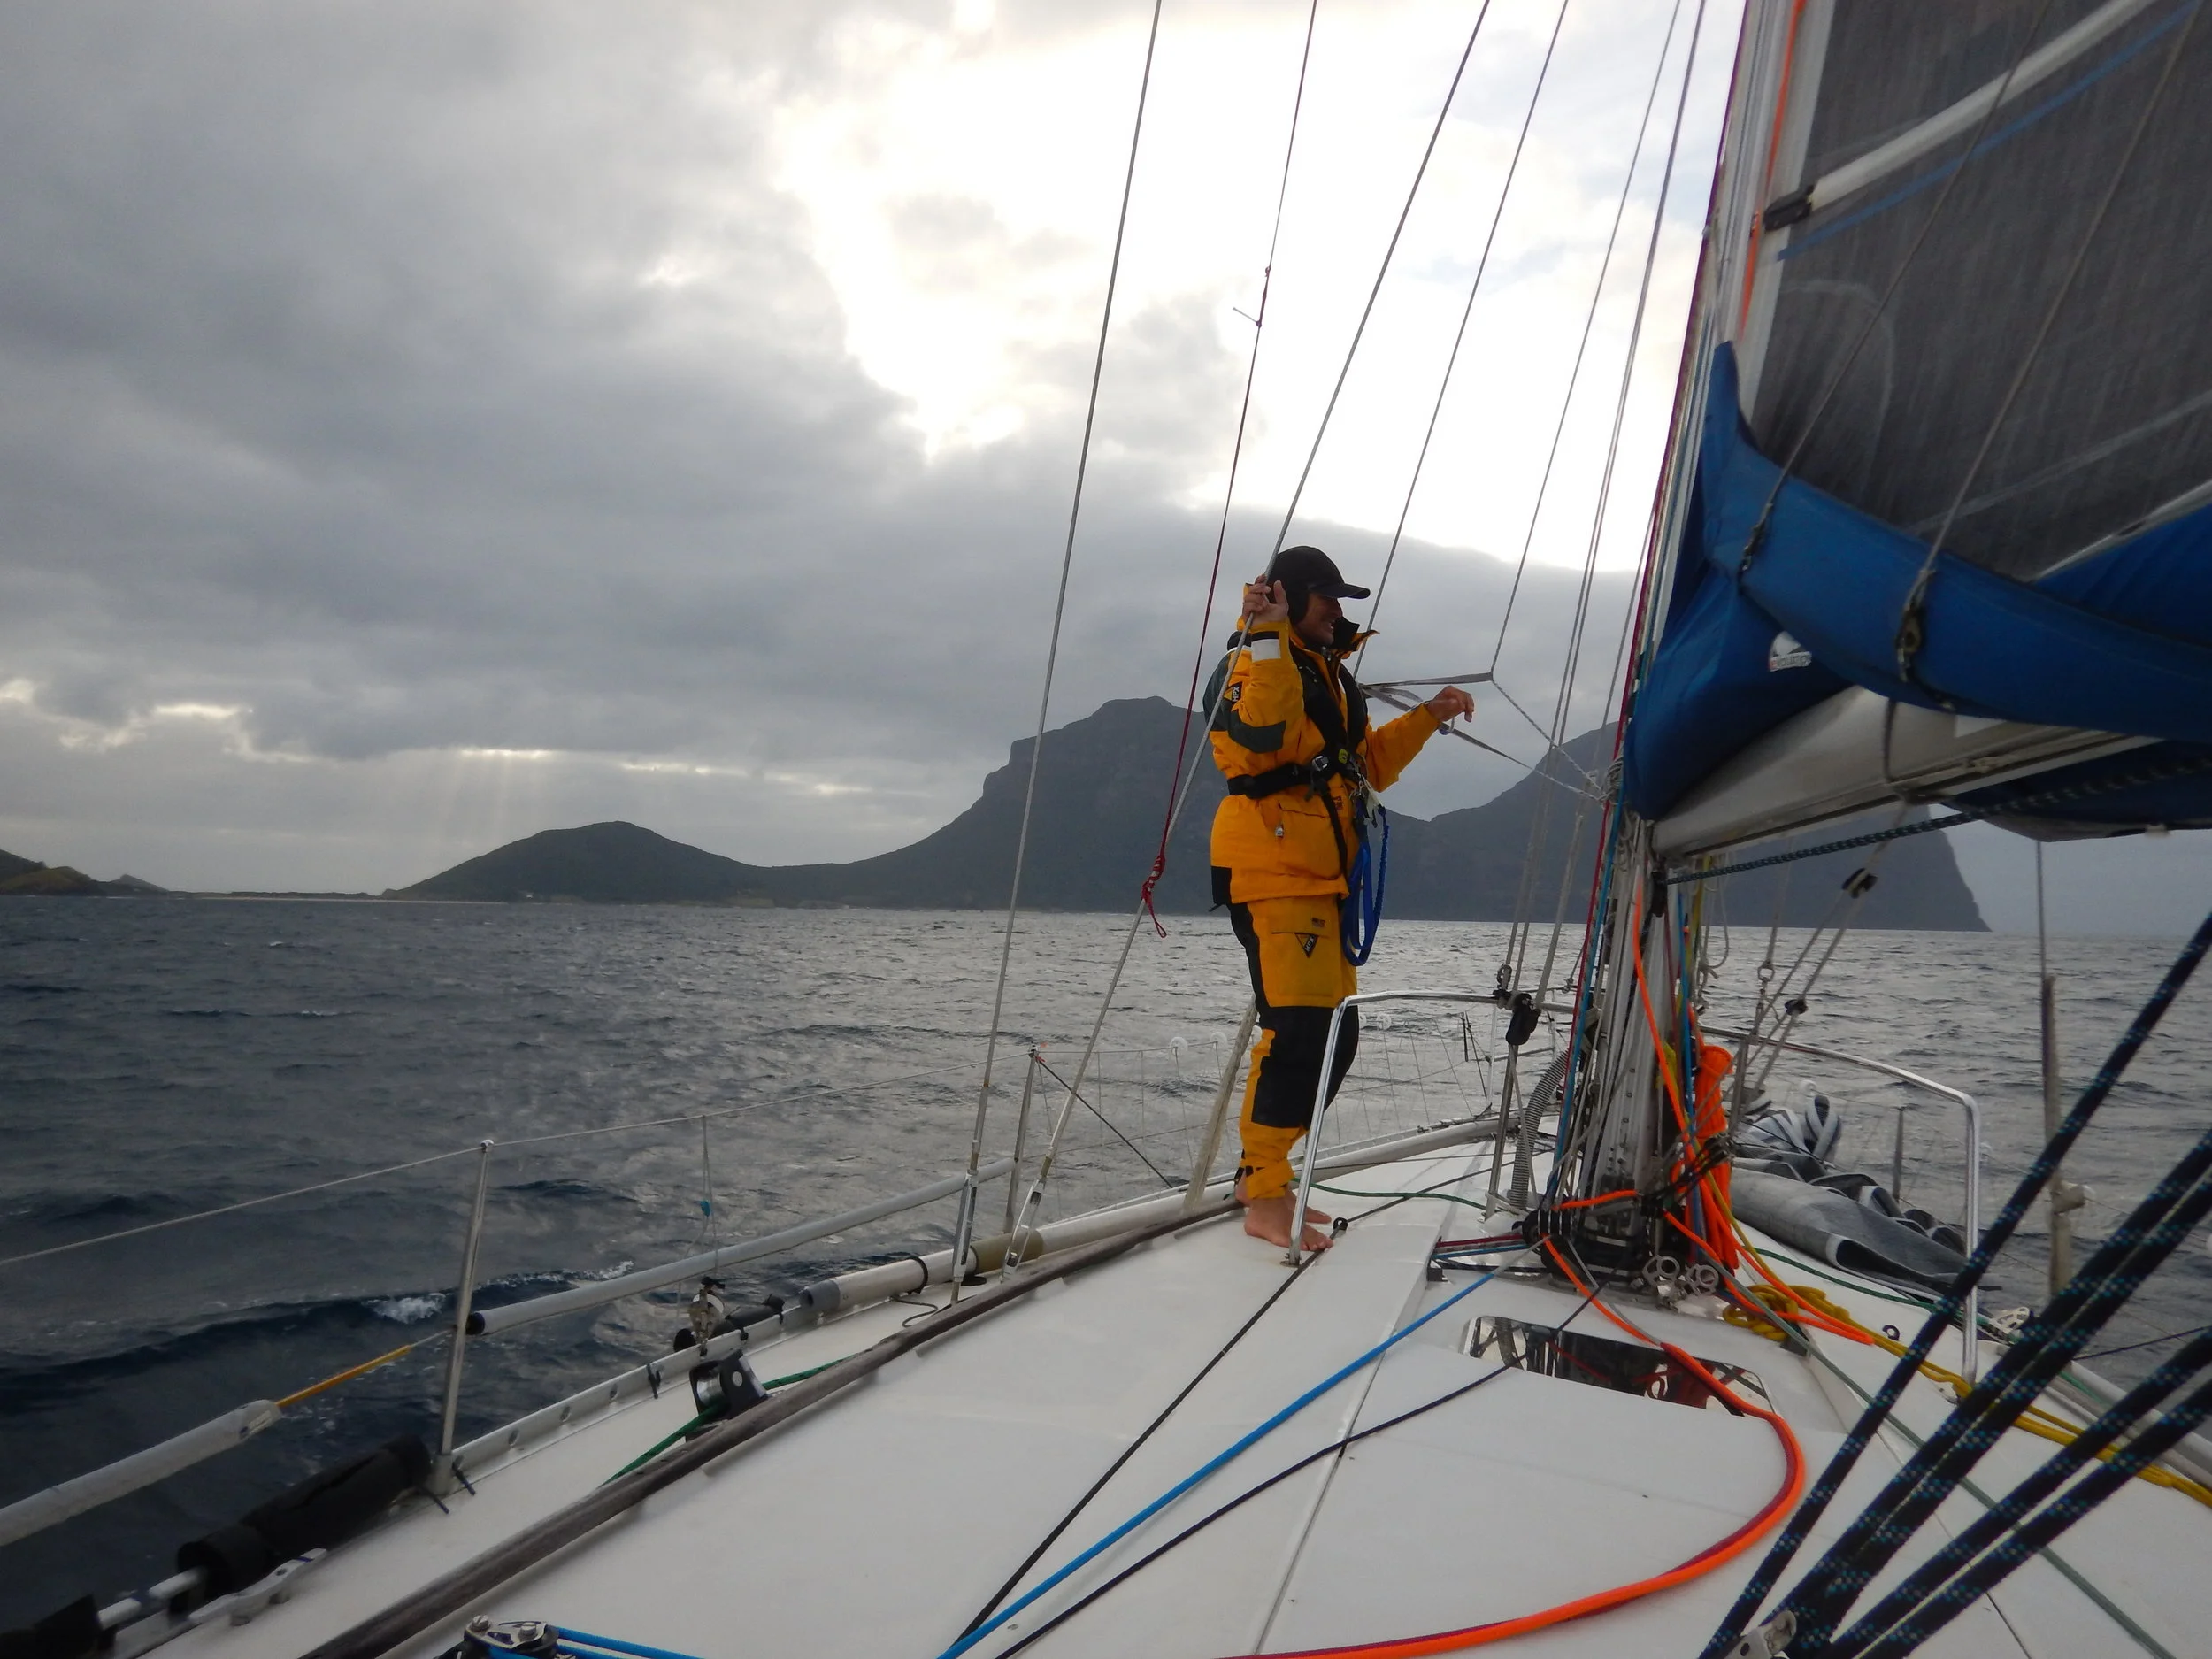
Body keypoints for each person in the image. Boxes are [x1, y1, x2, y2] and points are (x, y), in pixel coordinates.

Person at [1207, 546, 1475, 1252]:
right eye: (1327, 597)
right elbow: (1262, 738)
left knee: (1335, 1037)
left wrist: (1430, 714)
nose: (1340, 611)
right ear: (1289, 596)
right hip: (1274, 874)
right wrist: (1264, 633)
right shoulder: (1252, 664)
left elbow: (1368, 765)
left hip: (1322, 881)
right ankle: (1261, 1189)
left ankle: (1266, 1174)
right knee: (1297, 1034)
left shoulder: (1329, 676)